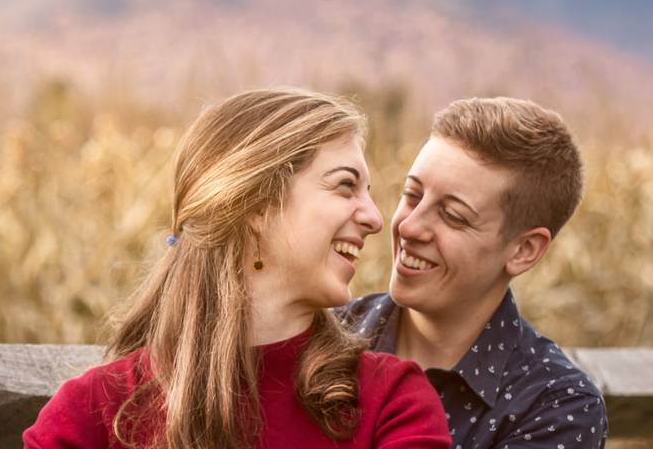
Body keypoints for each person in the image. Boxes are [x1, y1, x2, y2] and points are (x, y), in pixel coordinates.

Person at [23, 88, 451, 449]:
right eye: (345, 186)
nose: (376, 218)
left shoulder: (392, 403)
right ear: (256, 205)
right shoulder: (92, 413)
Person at [339, 97, 609, 449]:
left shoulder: (556, 406)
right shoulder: (324, 336)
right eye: (412, 194)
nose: (410, 226)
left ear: (523, 250)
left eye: (452, 215)